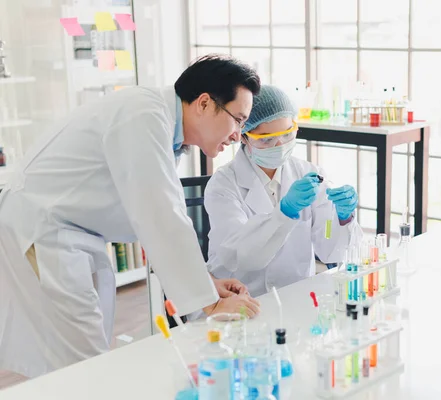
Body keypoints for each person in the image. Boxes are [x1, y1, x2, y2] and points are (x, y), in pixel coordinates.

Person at [0, 54, 261, 378]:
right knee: (85, 363)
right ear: (204, 103)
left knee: (78, 357)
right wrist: (212, 304)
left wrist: (208, 285)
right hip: (45, 230)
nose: (238, 134)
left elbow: (160, 218)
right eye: (238, 119)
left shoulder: (161, 127)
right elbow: (161, 218)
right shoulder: (144, 115)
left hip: (66, 233)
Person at [204, 85, 362, 297]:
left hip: (297, 296)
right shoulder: (223, 185)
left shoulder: (309, 173)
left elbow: (330, 250)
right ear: (243, 136)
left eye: (287, 134)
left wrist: (342, 219)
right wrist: (284, 212)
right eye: (267, 139)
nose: (279, 145)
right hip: (239, 298)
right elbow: (241, 256)